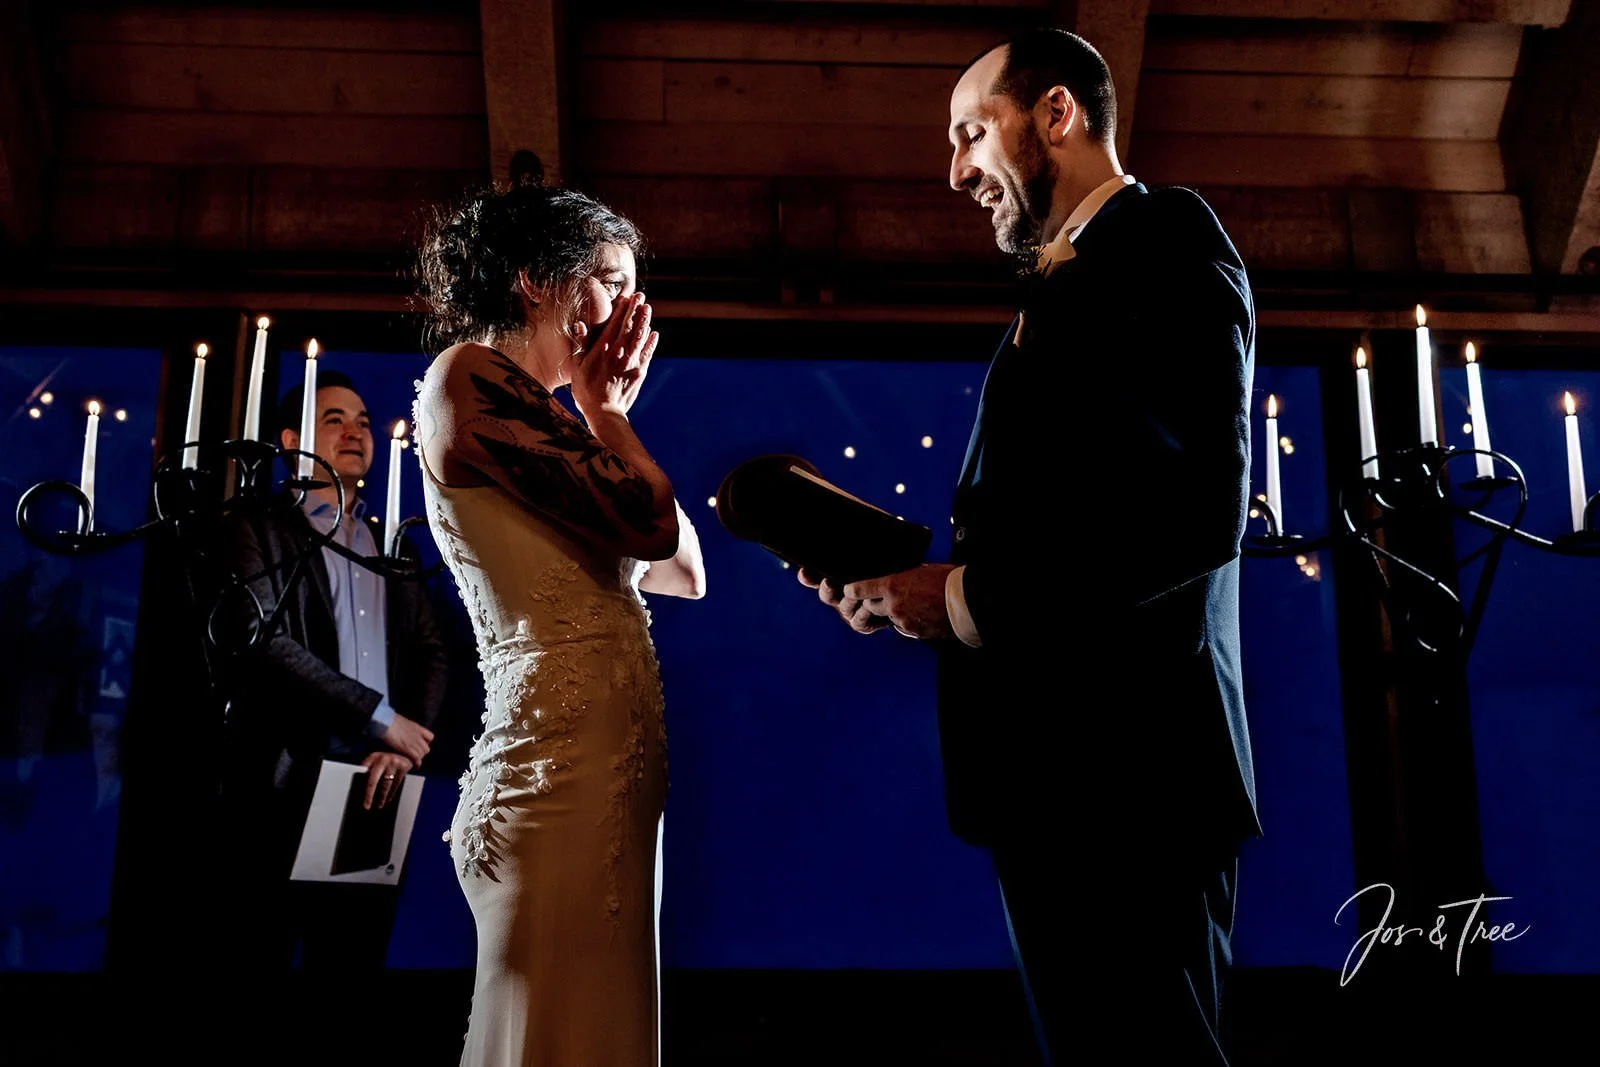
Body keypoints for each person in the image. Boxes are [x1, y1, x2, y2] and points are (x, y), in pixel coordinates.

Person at [800, 28, 1261, 1066]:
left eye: (971, 132)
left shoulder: (1165, 237)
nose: (953, 168)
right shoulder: (1061, 285)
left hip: (1127, 782)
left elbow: (1193, 509)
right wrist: (903, 594)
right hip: (1060, 778)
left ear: (1055, 113)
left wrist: (965, 599)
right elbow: (1064, 522)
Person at [412, 179, 706, 1066]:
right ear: (538, 280)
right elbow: (650, 521)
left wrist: (593, 416)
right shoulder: (467, 377)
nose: (630, 307)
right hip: (556, 766)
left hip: (600, 768)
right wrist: (609, 413)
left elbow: (684, 570)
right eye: (611, 280)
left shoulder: (547, 416)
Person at [217, 369, 450, 976]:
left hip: (375, 781)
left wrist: (405, 742)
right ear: (293, 442)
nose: (356, 432)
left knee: (352, 959)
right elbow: (264, 641)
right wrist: (380, 717)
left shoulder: (389, 539)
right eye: (335, 420)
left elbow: (431, 648)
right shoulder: (260, 528)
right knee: (261, 950)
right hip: (287, 774)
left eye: (365, 422)